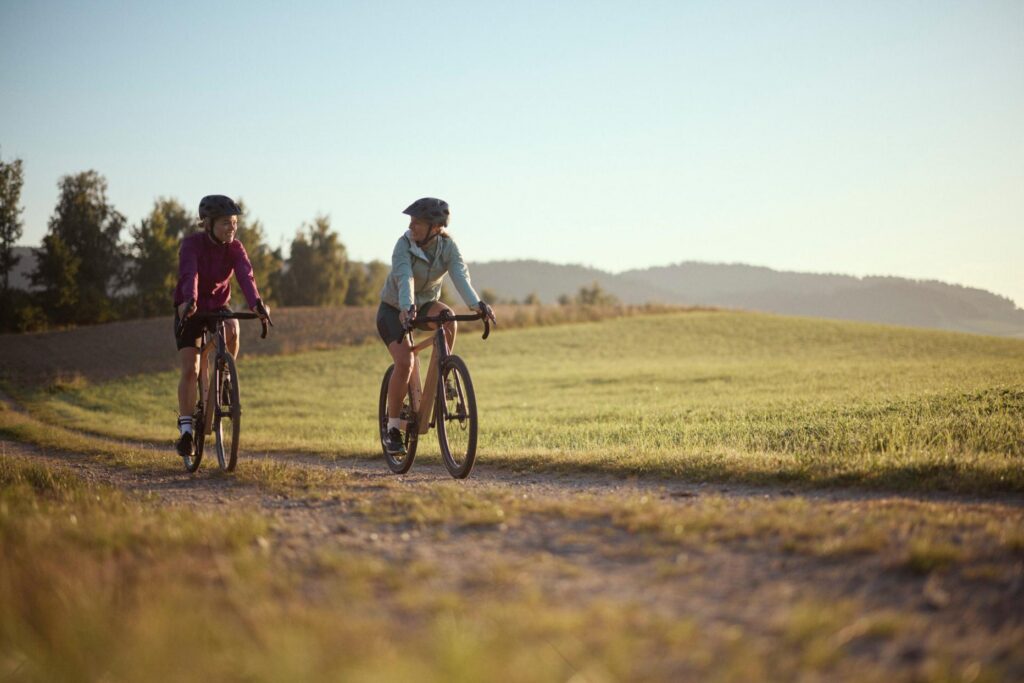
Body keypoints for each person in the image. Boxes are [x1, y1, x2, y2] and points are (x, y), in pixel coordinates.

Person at [377, 197, 496, 455]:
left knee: (449, 318)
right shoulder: (404, 245)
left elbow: (460, 276)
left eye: (417, 222)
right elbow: (405, 277)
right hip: (394, 308)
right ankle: (393, 428)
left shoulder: (448, 247)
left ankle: (444, 372)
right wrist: (407, 308)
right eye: (411, 222)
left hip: (426, 303)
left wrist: (478, 306)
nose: (411, 227)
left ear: (436, 227)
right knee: (406, 363)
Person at [172, 195, 270, 458]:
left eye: (235, 222)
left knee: (233, 329)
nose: (232, 228)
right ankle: (186, 431)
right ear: (208, 223)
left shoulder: (236, 248)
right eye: (226, 222)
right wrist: (189, 301)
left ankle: (224, 376)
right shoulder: (192, 244)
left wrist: (257, 305)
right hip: (190, 308)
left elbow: (246, 276)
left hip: (217, 306)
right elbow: (189, 274)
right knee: (191, 369)